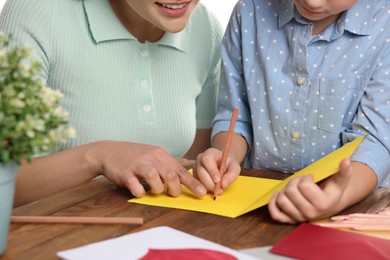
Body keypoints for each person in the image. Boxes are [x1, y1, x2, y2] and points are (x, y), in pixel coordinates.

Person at [0, 0, 223, 207]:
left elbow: (192, 167)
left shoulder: (205, 29)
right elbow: (5, 184)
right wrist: (97, 157)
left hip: (160, 231)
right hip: (48, 239)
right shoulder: (39, 11)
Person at [195, 0, 390, 224]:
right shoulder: (249, 11)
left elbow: (376, 142)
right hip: (256, 209)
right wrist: (225, 156)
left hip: (352, 208)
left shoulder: (384, 23)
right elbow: (235, 116)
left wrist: (337, 196)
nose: (311, 2)